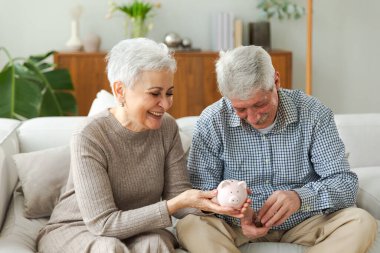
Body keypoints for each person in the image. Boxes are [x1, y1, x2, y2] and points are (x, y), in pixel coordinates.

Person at [37, 38, 246, 253]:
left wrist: (215, 203)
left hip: (139, 230)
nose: (165, 104)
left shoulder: (167, 128)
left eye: (169, 93)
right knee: (108, 249)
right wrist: (174, 205)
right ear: (120, 91)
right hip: (79, 229)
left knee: (156, 244)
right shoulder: (90, 136)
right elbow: (103, 224)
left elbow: (178, 195)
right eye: (155, 93)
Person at [176, 45, 378, 253]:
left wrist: (300, 198)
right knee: (191, 226)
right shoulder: (212, 121)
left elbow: (344, 183)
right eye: (241, 109)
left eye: (259, 104)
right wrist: (238, 212)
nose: (253, 118)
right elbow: (201, 193)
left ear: (276, 82)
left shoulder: (314, 113)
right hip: (234, 226)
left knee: (361, 221)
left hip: (304, 220)